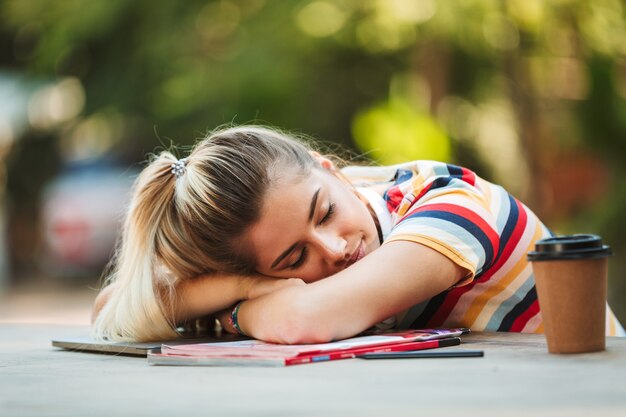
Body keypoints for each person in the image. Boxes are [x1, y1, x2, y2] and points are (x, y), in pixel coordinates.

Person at [91, 125, 625, 343]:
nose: (335, 249)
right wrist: (245, 289)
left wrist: (236, 307)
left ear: (330, 169)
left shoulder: (455, 205)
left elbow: (306, 319)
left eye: (323, 213)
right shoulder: (262, 270)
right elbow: (113, 309)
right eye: (293, 257)